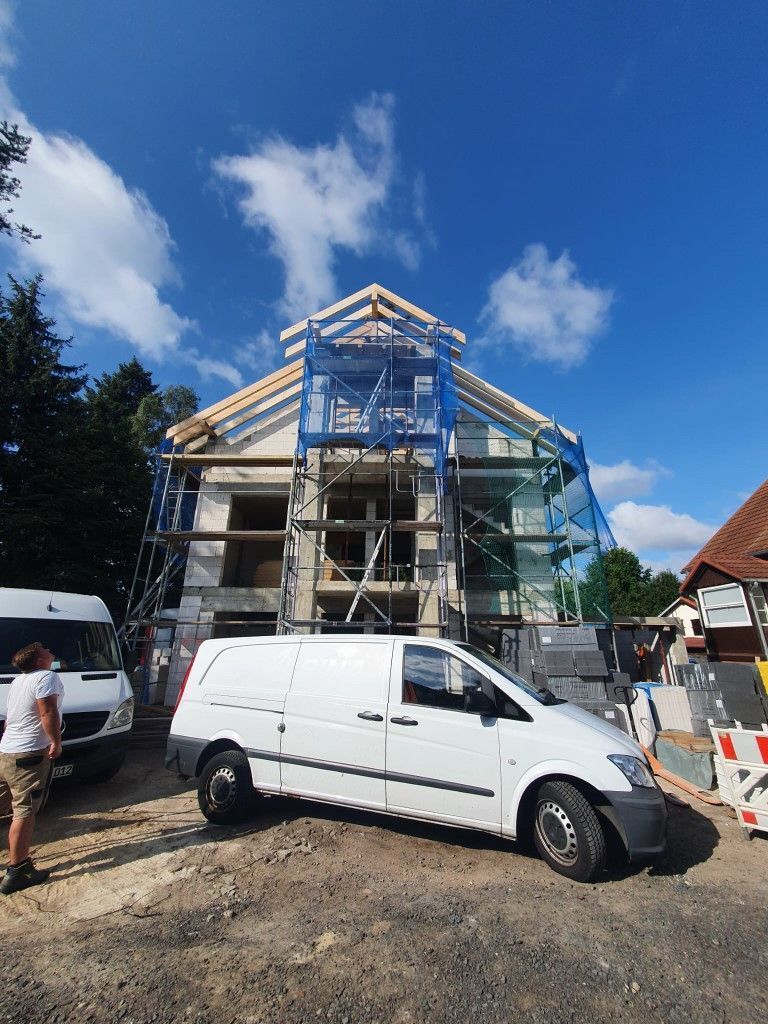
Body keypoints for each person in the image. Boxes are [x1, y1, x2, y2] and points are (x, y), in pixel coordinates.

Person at [0, 641, 64, 895]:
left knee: (3, 803)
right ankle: (18, 870)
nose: (50, 650)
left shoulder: (18, 681)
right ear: (39, 660)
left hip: (7, 750)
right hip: (28, 754)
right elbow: (47, 712)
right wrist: (56, 741)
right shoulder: (47, 677)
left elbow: (10, 717)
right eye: (45, 650)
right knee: (24, 811)